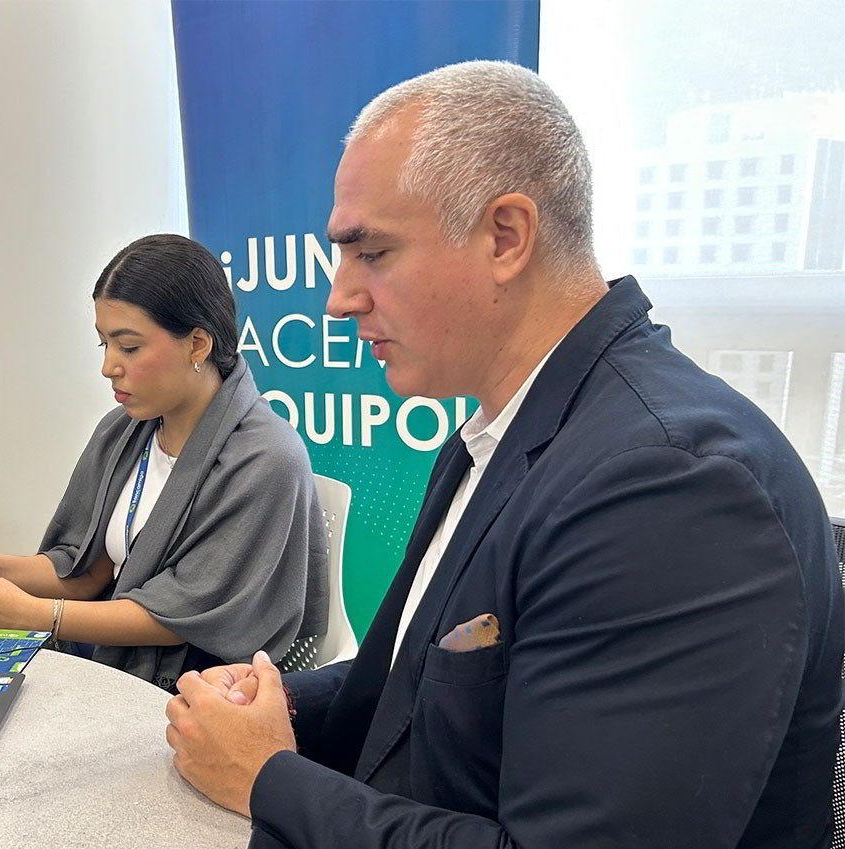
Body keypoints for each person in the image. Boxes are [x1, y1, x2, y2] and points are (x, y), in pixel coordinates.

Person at [165, 61, 842, 848]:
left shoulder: (669, 485)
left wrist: (267, 776)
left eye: (371, 253)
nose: (338, 298)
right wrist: (274, 703)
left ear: (506, 236)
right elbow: (434, 679)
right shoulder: (501, 435)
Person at [0, 234, 329, 690]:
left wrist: (30, 614)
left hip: (200, 684)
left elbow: (183, 617)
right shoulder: (124, 432)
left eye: (129, 348)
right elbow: (88, 572)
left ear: (197, 345)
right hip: (105, 658)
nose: (109, 367)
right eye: (104, 346)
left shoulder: (266, 459)